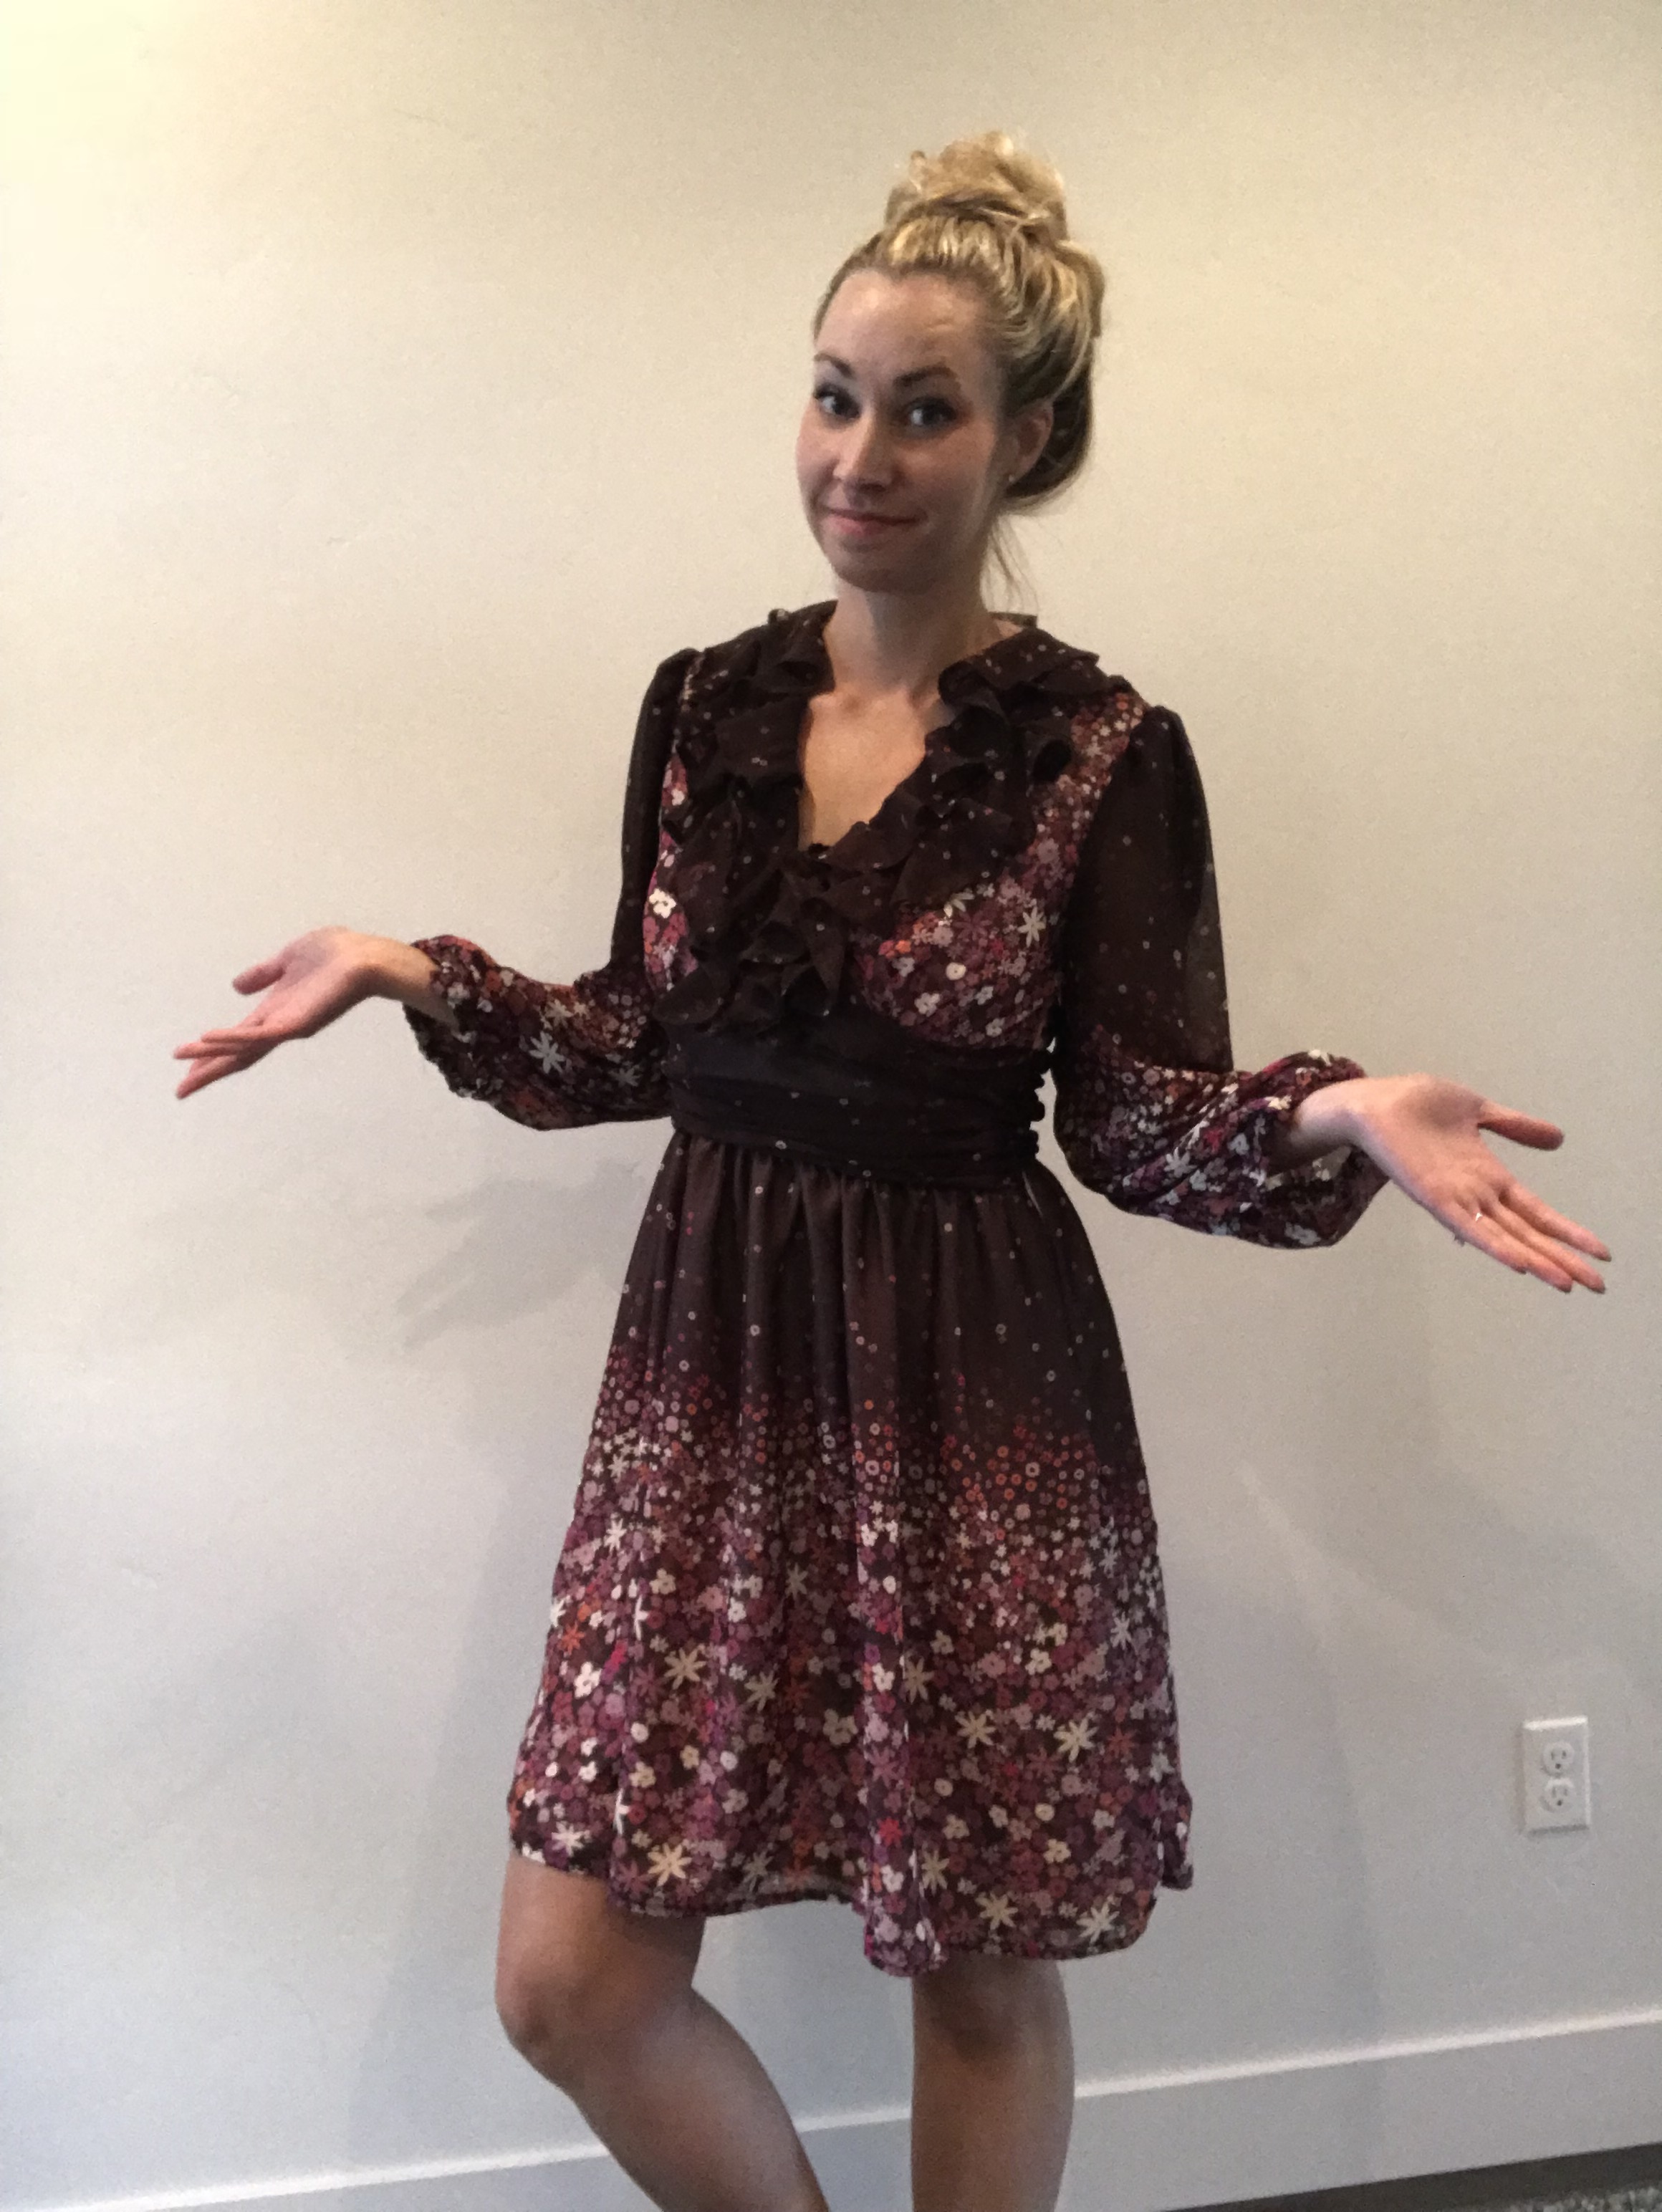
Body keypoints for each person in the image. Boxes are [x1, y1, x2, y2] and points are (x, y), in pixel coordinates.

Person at [174, 133, 1609, 2212]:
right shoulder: (707, 707)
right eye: (834, 394)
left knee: (978, 1974)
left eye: (925, 409)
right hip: (707, 1389)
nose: (861, 454)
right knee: (573, 1979)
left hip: (975, 1400)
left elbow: (1133, 1114)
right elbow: (646, 1039)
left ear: (1028, 441)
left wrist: (1340, 1111)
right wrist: (411, 969)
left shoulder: (1100, 751)